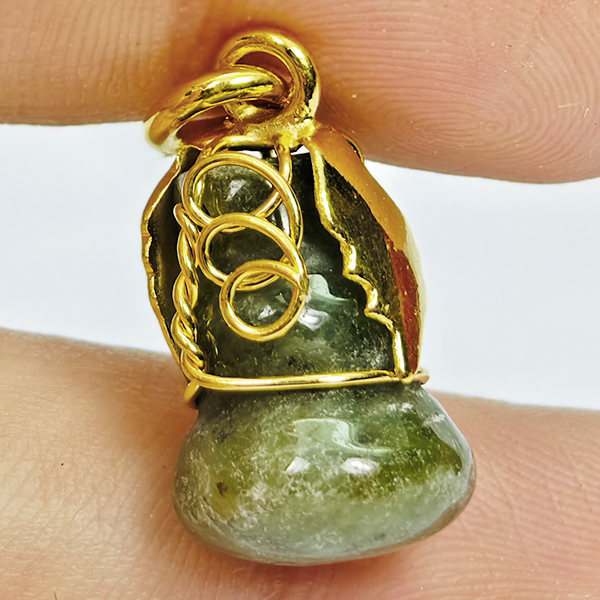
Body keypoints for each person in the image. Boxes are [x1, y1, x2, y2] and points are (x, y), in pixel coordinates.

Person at [1, 1, 599, 598]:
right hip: (275, 425)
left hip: (322, 418)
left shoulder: (301, 170)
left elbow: (382, 253)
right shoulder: (216, 193)